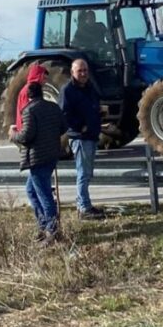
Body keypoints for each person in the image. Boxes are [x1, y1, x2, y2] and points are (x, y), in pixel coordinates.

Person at [8, 81, 67, 243]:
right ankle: (43, 224)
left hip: (37, 158)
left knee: (44, 195)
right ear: (41, 92)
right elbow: (63, 128)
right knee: (32, 191)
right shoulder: (54, 108)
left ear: (28, 96)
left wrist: (14, 135)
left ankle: (52, 231)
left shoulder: (28, 111)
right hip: (51, 156)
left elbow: (26, 136)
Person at [59, 58, 105, 220]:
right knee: (83, 173)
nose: (84, 73)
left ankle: (83, 204)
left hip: (91, 136)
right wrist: (80, 127)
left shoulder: (89, 87)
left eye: (85, 70)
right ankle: (84, 208)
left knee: (87, 172)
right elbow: (64, 115)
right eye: (80, 71)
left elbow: (91, 106)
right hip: (80, 138)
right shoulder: (67, 91)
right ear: (72, 72)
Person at [15, 63, 48, 131]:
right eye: (44, 78)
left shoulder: (34, 90)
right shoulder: (28, 91)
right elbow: (27, 114)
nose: (45, 81)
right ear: (38, 77)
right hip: (27, 130)